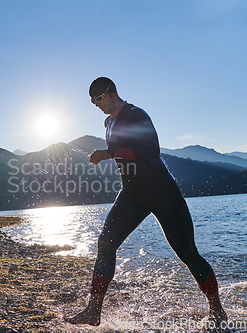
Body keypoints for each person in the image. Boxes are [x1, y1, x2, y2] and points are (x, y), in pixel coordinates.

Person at [63, 77, 227, 327]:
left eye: (98, 99)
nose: (95, 105)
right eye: (91, 102)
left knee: (187, 252)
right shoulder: (108, 122)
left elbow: (151, 150)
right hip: (132, 193)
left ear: (111, 93)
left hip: (162, 192)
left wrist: (109, 153)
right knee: (105, 243)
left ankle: (217, 310)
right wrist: (110, 156)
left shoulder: (136, 115)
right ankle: (93, 311)